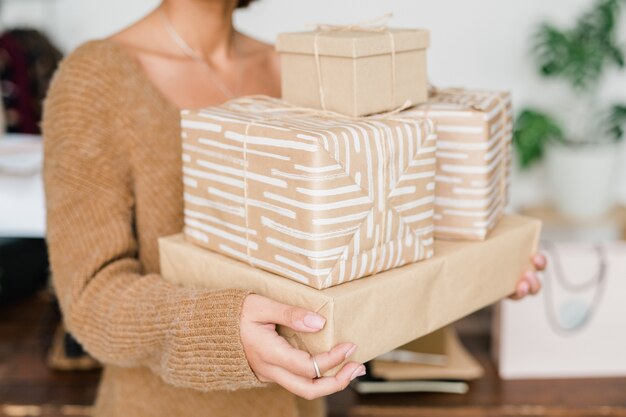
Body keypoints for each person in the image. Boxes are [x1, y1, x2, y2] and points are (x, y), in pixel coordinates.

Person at [42, 1, 547, 416]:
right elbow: (90, 297)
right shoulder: (95, 80)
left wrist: (481, 266)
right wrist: (223, 332)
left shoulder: (303, 68)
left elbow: (371, 240)